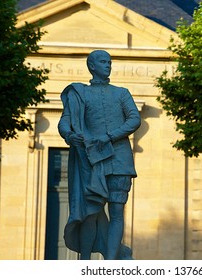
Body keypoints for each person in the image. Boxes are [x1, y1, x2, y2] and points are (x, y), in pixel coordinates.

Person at [58, 50, 141, 260]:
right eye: (104, 62)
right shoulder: (80, 93)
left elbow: (134, 119)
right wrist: (69, 135)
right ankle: (84, 262)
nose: (108, 65)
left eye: (110, 62)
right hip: (91, 159)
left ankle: (111, 262)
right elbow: (64, 121)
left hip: (119, 159)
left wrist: (110, 136)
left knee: (116, 212)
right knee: (89, 214)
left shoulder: (122, 93)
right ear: (92, 66)